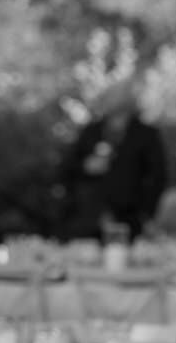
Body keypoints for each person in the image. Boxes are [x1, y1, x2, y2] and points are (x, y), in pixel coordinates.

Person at [56, 77, 168, 243]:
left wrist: (146, 213)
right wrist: (86, 166)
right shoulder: (92, 132)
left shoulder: (146, 135)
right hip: (88, 218)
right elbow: (66, 170)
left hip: (130, 218)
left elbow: (158, 177)